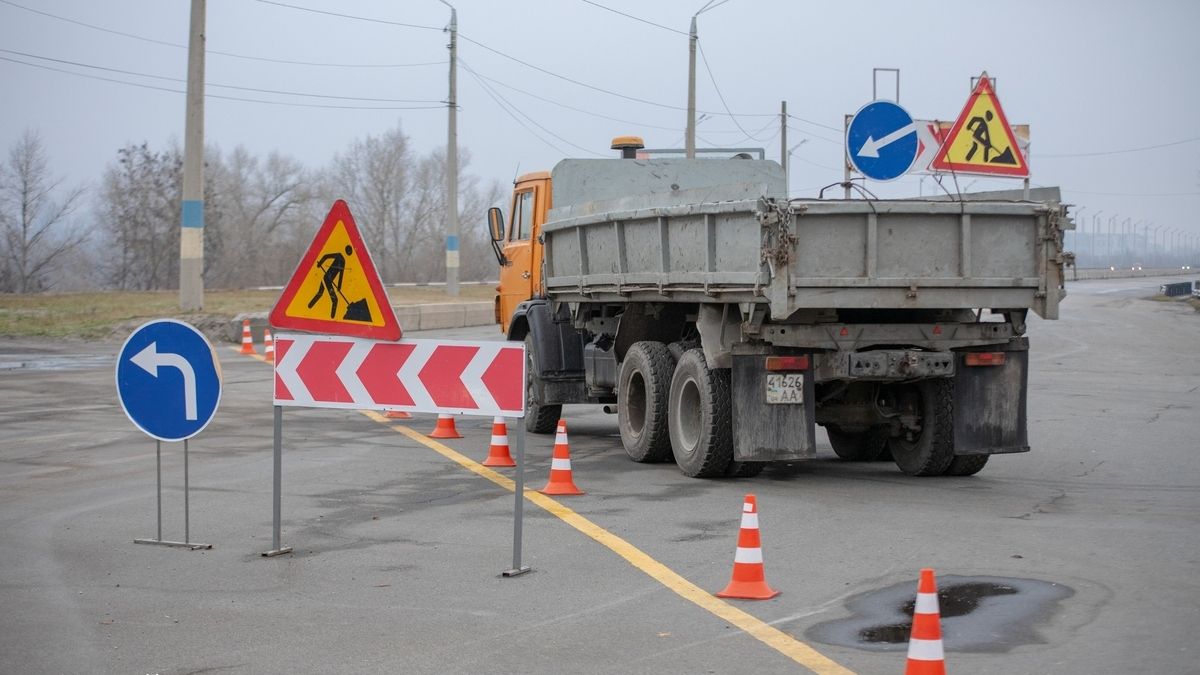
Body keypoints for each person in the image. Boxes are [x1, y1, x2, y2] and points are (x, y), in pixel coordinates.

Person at [307, 245, 353, 319]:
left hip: (327, 280)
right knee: (335, 300)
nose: (349, 254)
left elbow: (341, 275)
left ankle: (308, 308)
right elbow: (326, 256)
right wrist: (320, 263)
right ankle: (332, 319)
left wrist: (339, 286)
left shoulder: (343, 262)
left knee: (320, 293)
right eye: (349, 252)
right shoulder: (339, 255)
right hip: (326, 280)